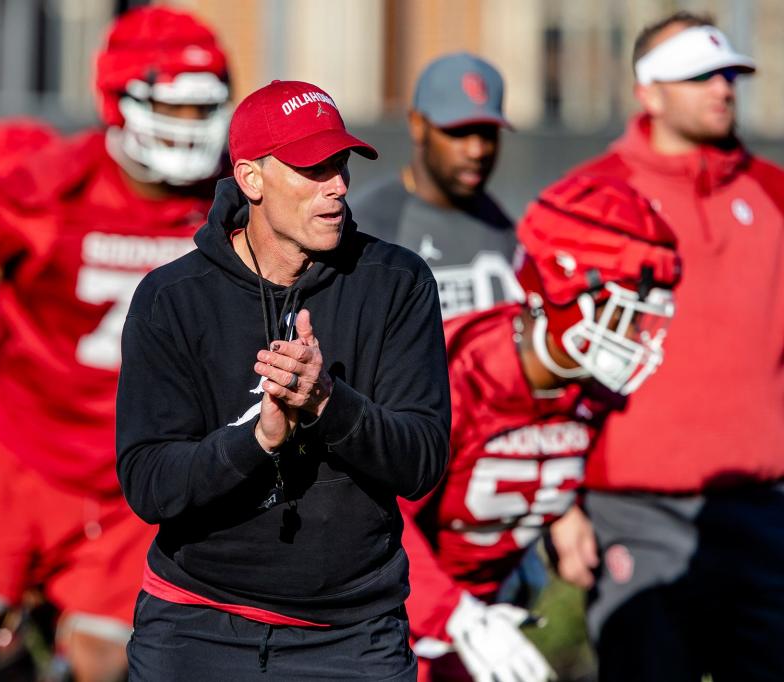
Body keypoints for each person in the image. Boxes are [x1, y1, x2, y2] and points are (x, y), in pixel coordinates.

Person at [0, 6, 231, 681]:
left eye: (199, 110)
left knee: (105, 660)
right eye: (171, 110)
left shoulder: (235, 195)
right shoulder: (48, 187)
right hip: (21, 446)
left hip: (137, 467)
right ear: (117, 99)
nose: (188, 129)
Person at [117, 79, 451, 680]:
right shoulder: (171, 299)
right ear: (251, 179)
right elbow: (148, 484)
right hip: (195, 625)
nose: (338, 187)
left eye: (341, 165)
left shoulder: (396, 282)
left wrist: (328, 403)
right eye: (313, 169)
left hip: (353, 634)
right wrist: (258, 441)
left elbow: (423, 462)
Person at [547, 11, 784, 681]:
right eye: (699, 76)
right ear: (648, 92)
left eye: (729, 73)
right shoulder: (586, 199)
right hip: (633, 515)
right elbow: (541, 370)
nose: (722, 88)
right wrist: (559, 508)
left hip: (760, 510)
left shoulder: (773, 193)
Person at [402, 174, 681, 682]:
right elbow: (373, 522)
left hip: (490, 611)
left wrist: (562, 506)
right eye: (622, 315)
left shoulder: (583, 381)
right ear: (565, 291)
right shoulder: (458, 372)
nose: (635, 337)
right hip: (402, 622)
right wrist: (454, 614)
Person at [349, 52, 522, 319]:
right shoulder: (365, 225)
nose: (477, 150)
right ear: (418, 125)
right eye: (459, 132)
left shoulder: (505, 228)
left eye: (488, 133)